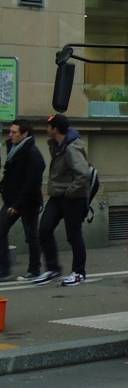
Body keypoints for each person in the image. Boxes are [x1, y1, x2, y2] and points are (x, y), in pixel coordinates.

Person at [33, 114, 92, 286]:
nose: (46, 129)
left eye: (48, 126)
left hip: (72, 197)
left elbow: (84, 174)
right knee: (44, 229)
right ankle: (53, 268)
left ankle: (79, 272)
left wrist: (70, 191)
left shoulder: (72, 147)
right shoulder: (59, 145)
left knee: (74, 235)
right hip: (58, 196)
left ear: (55, 129)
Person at [0, 119, 46, 281]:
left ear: (24, 134)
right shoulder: (14, 149)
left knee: (31, 235)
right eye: (10, 131)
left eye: (14, 132)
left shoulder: (32, 153)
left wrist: (17, 204)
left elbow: (31, 182)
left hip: (27, 202)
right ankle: (4, 270)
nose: (10, 135)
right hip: (12, 199)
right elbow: (11, 175)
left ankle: (34, 270)